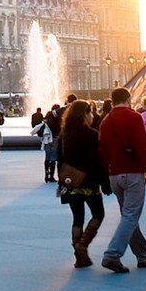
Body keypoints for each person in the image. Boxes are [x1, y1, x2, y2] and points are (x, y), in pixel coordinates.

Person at [97, 86, 146, 273]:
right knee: (130, 216)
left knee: (128, 216)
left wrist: (106, 177)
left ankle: (143, 256)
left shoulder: (106, 121)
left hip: (114, 176)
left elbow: (102, 153)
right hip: (133, 175)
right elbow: (144, 150)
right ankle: (112, 254)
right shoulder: (134, 117)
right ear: (128, 99)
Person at [58, 100, 108, 268]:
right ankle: (83, 245)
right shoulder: (92, 134)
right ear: (84, 114)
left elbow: (60, 160)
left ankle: (79, 255)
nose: (93, 116)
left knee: (77, 218)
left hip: (71, 182)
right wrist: (105, 182)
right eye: (91, 113)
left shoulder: (64, 134)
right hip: (89, 182)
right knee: (98, 214)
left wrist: (62, 183)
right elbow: (98, 161)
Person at [35, 111, 58, 182]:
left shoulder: (47, 119)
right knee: (53, 158)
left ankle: (46, 175)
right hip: (54, 139)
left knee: (47, 157)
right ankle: (51, 176)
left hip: (47, 139)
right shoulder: (57, 119)